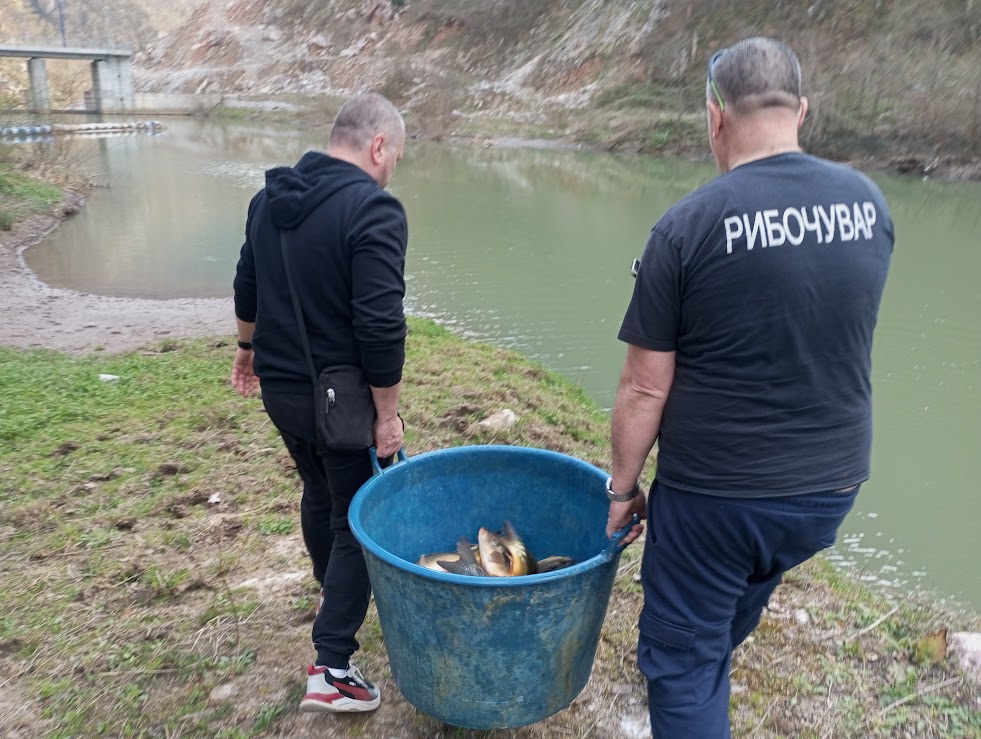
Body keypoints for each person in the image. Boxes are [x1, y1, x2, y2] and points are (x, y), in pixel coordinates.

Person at [604, 38, 894, 737]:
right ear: (801, 110)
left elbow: (645, 388)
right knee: (742, 581)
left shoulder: (686, 226)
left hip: (717, 496)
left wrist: (620, 490)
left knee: (680, 654)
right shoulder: (867, 202)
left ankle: (686, 684)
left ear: (714, 117)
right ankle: (700, 665)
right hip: (828, 488)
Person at [230, 92, 408, 714]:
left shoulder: (268, 199)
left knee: (320, 493)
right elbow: (381, 326)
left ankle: (327, 593)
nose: (391, 172)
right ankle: (331, 669)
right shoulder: (373, 210)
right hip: (341, 404)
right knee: (357, 520)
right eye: (394, 159)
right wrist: (387, 414)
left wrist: (246, 350)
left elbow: (246, 281)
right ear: (377, 145)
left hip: (282, 392)